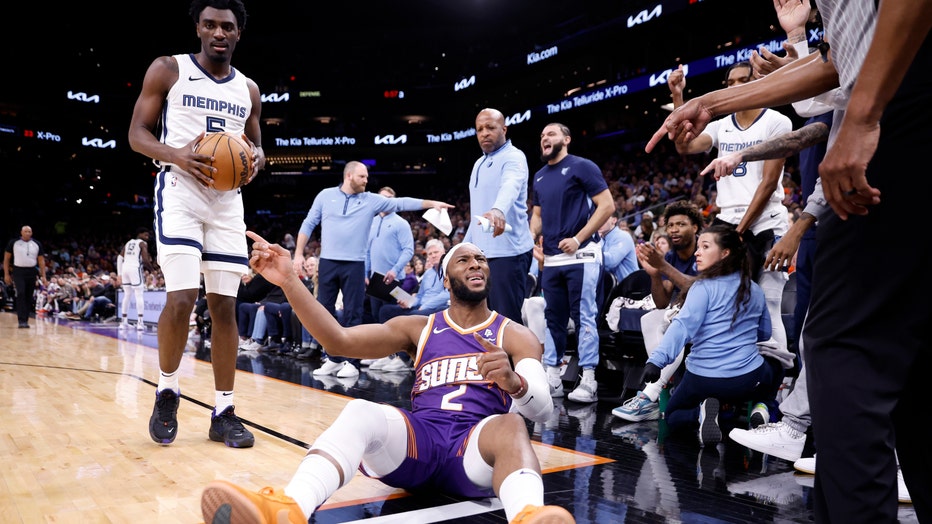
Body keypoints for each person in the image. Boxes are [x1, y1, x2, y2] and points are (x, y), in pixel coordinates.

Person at [645, 2, 931, 519]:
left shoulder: (848, 90)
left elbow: (836, 85)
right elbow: (835, 60)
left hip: (892, 116)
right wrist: (711, 100)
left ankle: (805, 438)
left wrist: (863, 115)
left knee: (840, 345)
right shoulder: (839, 41)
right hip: (882, 117)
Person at [200, 233, 575, 524]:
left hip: (473, 454)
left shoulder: (514, 334)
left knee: (511, 424)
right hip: (420, 446)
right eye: (464, 260)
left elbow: (541, 410)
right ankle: (288, 507)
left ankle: (529, 515)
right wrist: (289, 282)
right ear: (446, 280)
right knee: (361, 411)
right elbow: (338, 340)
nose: (475, 264)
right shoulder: (418, 328)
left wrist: (516, 385)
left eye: (480, 259)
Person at [127, 0, 265, 448]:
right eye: (210, 24)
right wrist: (177, 155)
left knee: (224, 306)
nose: (218, 33)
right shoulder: (169, 69)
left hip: (227, 203)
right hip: (181, 192)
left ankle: (223, 410)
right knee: (183, 296)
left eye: (227, 26)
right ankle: (167, 389)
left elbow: (258, 147)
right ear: (198, 28)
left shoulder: (249, 89)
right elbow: (137, 134)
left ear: (238, 33)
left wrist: (256, 159)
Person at [670, 62, 794, 379]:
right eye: (732, 82)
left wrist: (738, 232)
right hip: (729, 219)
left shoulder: (778, 121)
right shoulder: (720, 125)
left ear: (759, 81)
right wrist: (678, 96)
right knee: (712, 301)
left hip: (766, 221)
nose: (737, 86)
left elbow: (768, 184)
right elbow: (684, 146)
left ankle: (776, 382)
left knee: (767, 303)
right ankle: (718, 376)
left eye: (745, 80)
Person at [292, 161, 453, 378]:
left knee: (353, 313)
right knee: (324, 311)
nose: (367, 181)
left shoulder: (371, 201)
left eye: (367, 177)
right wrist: (299, 253)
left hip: (357, 265)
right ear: (349, 176)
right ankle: (332, 358)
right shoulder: (325, 196)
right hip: (329, 262)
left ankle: (352, 362)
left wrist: (431, 203)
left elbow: (401, 203)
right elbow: (308, 223)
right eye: (362, 177)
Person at [641, 224, 781, 447]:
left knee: (673, 415)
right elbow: (764, 333)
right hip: (745, 380)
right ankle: (763, 408)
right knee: (775, 367)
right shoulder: (754, 289)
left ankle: (701, 413)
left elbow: (682, 327)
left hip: (701, 380)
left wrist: (656, 361)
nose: (697, 252)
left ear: (725, 253)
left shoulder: (701, 288)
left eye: (705, 246)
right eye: (698, 247)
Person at [529, 123, 615, 403]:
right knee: (553, 318)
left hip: (583, 255)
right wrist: (531, 237)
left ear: (567, 139)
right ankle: (553, 378)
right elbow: (538, 216)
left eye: (551, 134)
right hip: (552, 259)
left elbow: (607, 206)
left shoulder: (582, 166)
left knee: (584, 317)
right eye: (542, 135)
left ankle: (589, 379)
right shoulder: (540, 176)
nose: (545, 138)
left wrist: (578, 238)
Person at [612, 200, 703, 422]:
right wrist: (654, 274)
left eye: (681, 224)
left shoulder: (705, 249)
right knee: (650, 318)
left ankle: (649, 395)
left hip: (710, 319)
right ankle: (658, 385)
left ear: (695, 228)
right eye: (670, 225)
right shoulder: (671, 257)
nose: (674, 230)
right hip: (683, 316)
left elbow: (698, 289)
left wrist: (663, 267)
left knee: (677, 322)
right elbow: (662, 303)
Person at [463, 108, 535, 326]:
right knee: (485, 320)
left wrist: (498, 210)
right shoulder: (478, 163)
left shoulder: (514, 157)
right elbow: (477, 216)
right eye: (479, 129)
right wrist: (463, 247)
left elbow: (510, 185)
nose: (484, 133)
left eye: (490, 128)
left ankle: (517, 361)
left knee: (507, 321)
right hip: (483, 255)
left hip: (508, 253)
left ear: (503, 129)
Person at [365, 186, 415, 324]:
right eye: (382, 198)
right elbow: (367, 251)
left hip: (396, 279)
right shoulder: (371, 222)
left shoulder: (401, 223)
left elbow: (408, 250)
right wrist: (365, 273)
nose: (385, 201)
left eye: (389, 199)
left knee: (393, 318)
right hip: (375, 279)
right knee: (376, 317)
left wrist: (395, 270)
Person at [3, 225, 47, 328]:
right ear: (21, 232)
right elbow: (6, 259)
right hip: (18, 270)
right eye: (26, 231)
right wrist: (6, 274)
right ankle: (21, 320)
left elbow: (41, 261)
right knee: (21, 293)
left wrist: (43, 276)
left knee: (28, 295)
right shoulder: (14, 243)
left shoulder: (36, 244)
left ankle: (26, 320)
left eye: (29, 231)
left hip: (32, 271)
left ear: (31, 233)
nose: (28, 233)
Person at [119, 227, 155, 331]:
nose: (147, 237)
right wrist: (152, 270)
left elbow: (119, 257)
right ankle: (140, 323)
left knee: (127, 295)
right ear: (140, 234)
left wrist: (119, 273)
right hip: (134, 268)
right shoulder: (142, 243)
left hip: (125, 268)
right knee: (139, 294)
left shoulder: (129, 242)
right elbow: (145, 260)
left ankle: (123, 322)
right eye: (146, 235)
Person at [599, 210, 639, 286]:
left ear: (614, 220)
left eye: (603, 218)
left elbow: (611, 261)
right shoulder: (600, 239)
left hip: (630, 289)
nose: (599, 222)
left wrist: (591, 254)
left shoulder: (623, 236)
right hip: (613, 287)